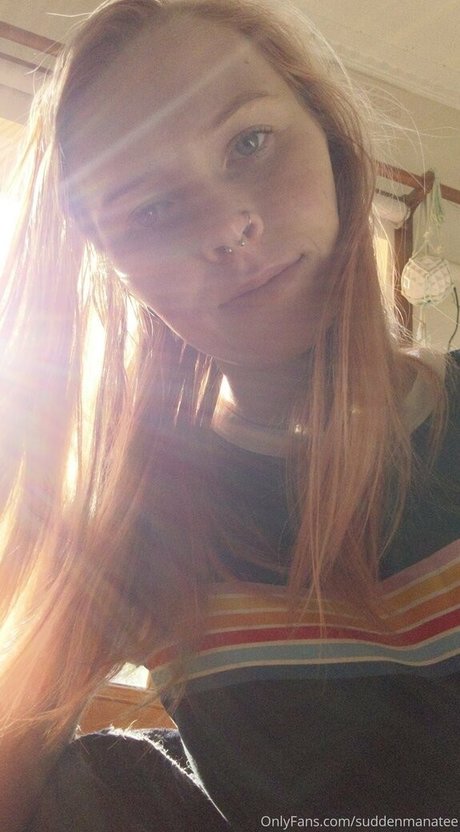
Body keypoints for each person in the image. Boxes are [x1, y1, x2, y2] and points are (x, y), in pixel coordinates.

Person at [0, 1, 458, 829]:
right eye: (147, 209)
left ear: (331, 139)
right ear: (116, 268)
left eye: (249, 142)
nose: (227, 227)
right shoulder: (135, 520)